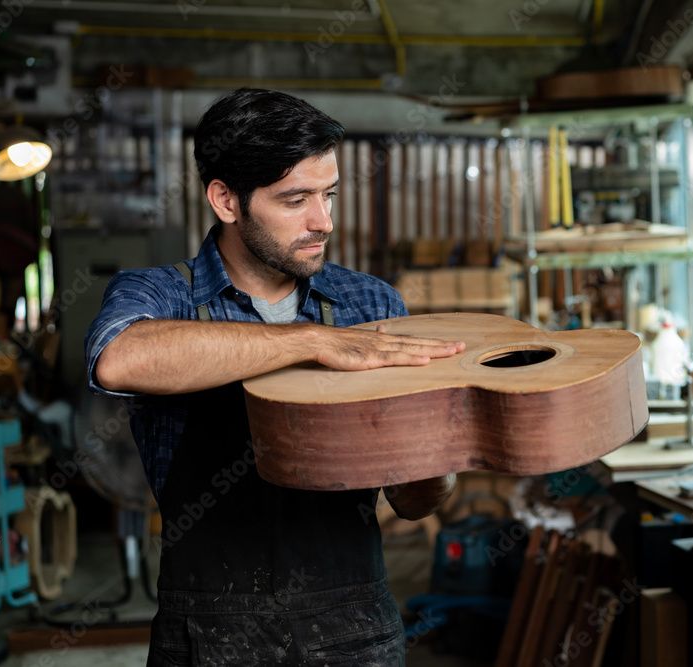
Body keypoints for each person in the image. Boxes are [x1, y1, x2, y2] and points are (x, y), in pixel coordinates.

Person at [85, 88, 463, 666]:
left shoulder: (371, 304)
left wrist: (440, 455)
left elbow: (411, 503)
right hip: (209, 633)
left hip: (353, 627)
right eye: (295, 200)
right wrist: (314, 342)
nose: (323, 221)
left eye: (329, 194)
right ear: (226, 200)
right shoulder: (161, 296)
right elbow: (118, 358)